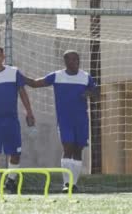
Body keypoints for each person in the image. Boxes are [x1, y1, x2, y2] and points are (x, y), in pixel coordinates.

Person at [26, 50, 98, 192]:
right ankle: (66, 184)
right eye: (71, 60)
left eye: (77, 59)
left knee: (78, 150)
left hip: (81, 121)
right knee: (68, 148)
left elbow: (96, 93)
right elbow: (35, 83)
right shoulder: (57, 76)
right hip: (65, 120)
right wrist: (21, 78)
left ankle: (74, 184)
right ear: (65, 61)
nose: (74, 62)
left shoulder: (85, 77)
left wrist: (90, 93)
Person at [0, 45, 35, 194]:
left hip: (11, 119)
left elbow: (22, 93)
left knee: (15, 153)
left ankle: (10, 181)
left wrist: (29, 112)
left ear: (3, 57)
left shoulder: (14, 73)